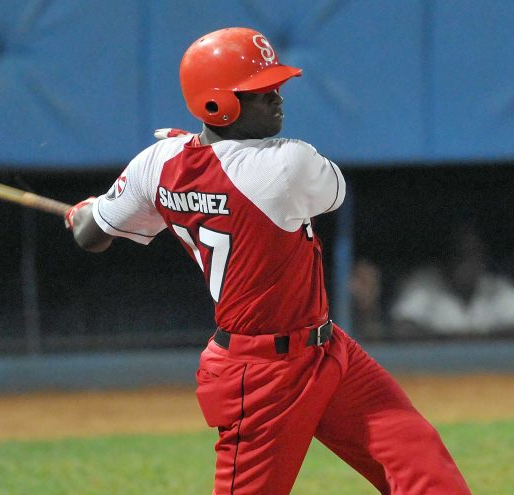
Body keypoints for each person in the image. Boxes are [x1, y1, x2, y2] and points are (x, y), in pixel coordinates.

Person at [65, 27, 470, 494]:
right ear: (217, 104)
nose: (277, 97)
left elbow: (91, 236)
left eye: (274, 86)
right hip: (258, 378)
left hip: (328, 351)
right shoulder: (288, 164)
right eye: (259, 92)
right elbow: (330, 191)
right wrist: (214, 158)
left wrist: (86, 210)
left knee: (421, 464)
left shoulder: (157, 162)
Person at [390, 221, 514, 337]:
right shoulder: (423, 286)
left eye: (472, 255)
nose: (465, 263)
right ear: (447, 258)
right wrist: (445, 340)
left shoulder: (497, 288)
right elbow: (402, 327)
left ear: (482, 259)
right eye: (459, 255)